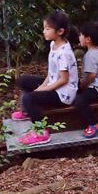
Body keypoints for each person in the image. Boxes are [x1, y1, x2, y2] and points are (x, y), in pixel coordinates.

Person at [11, 10, 79, 147]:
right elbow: (52, 72)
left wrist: (44, 89)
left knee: (28, 98)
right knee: (23, 80)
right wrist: (42, 86)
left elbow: (64, 80)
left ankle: (41, 132)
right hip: (55, 84)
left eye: (47, 29)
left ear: (60, 31)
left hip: (64, 94)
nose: (44, 32)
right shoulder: (54, 45)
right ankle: (29, 111)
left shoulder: (64, 53)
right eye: (44, 28)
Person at [74, 21, 98, 139]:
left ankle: (94, 123)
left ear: (88, 39)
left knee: (78, 100)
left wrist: (82, 87)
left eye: (81, 35)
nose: (79, 37)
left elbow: (91, 76)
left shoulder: (89, 55)